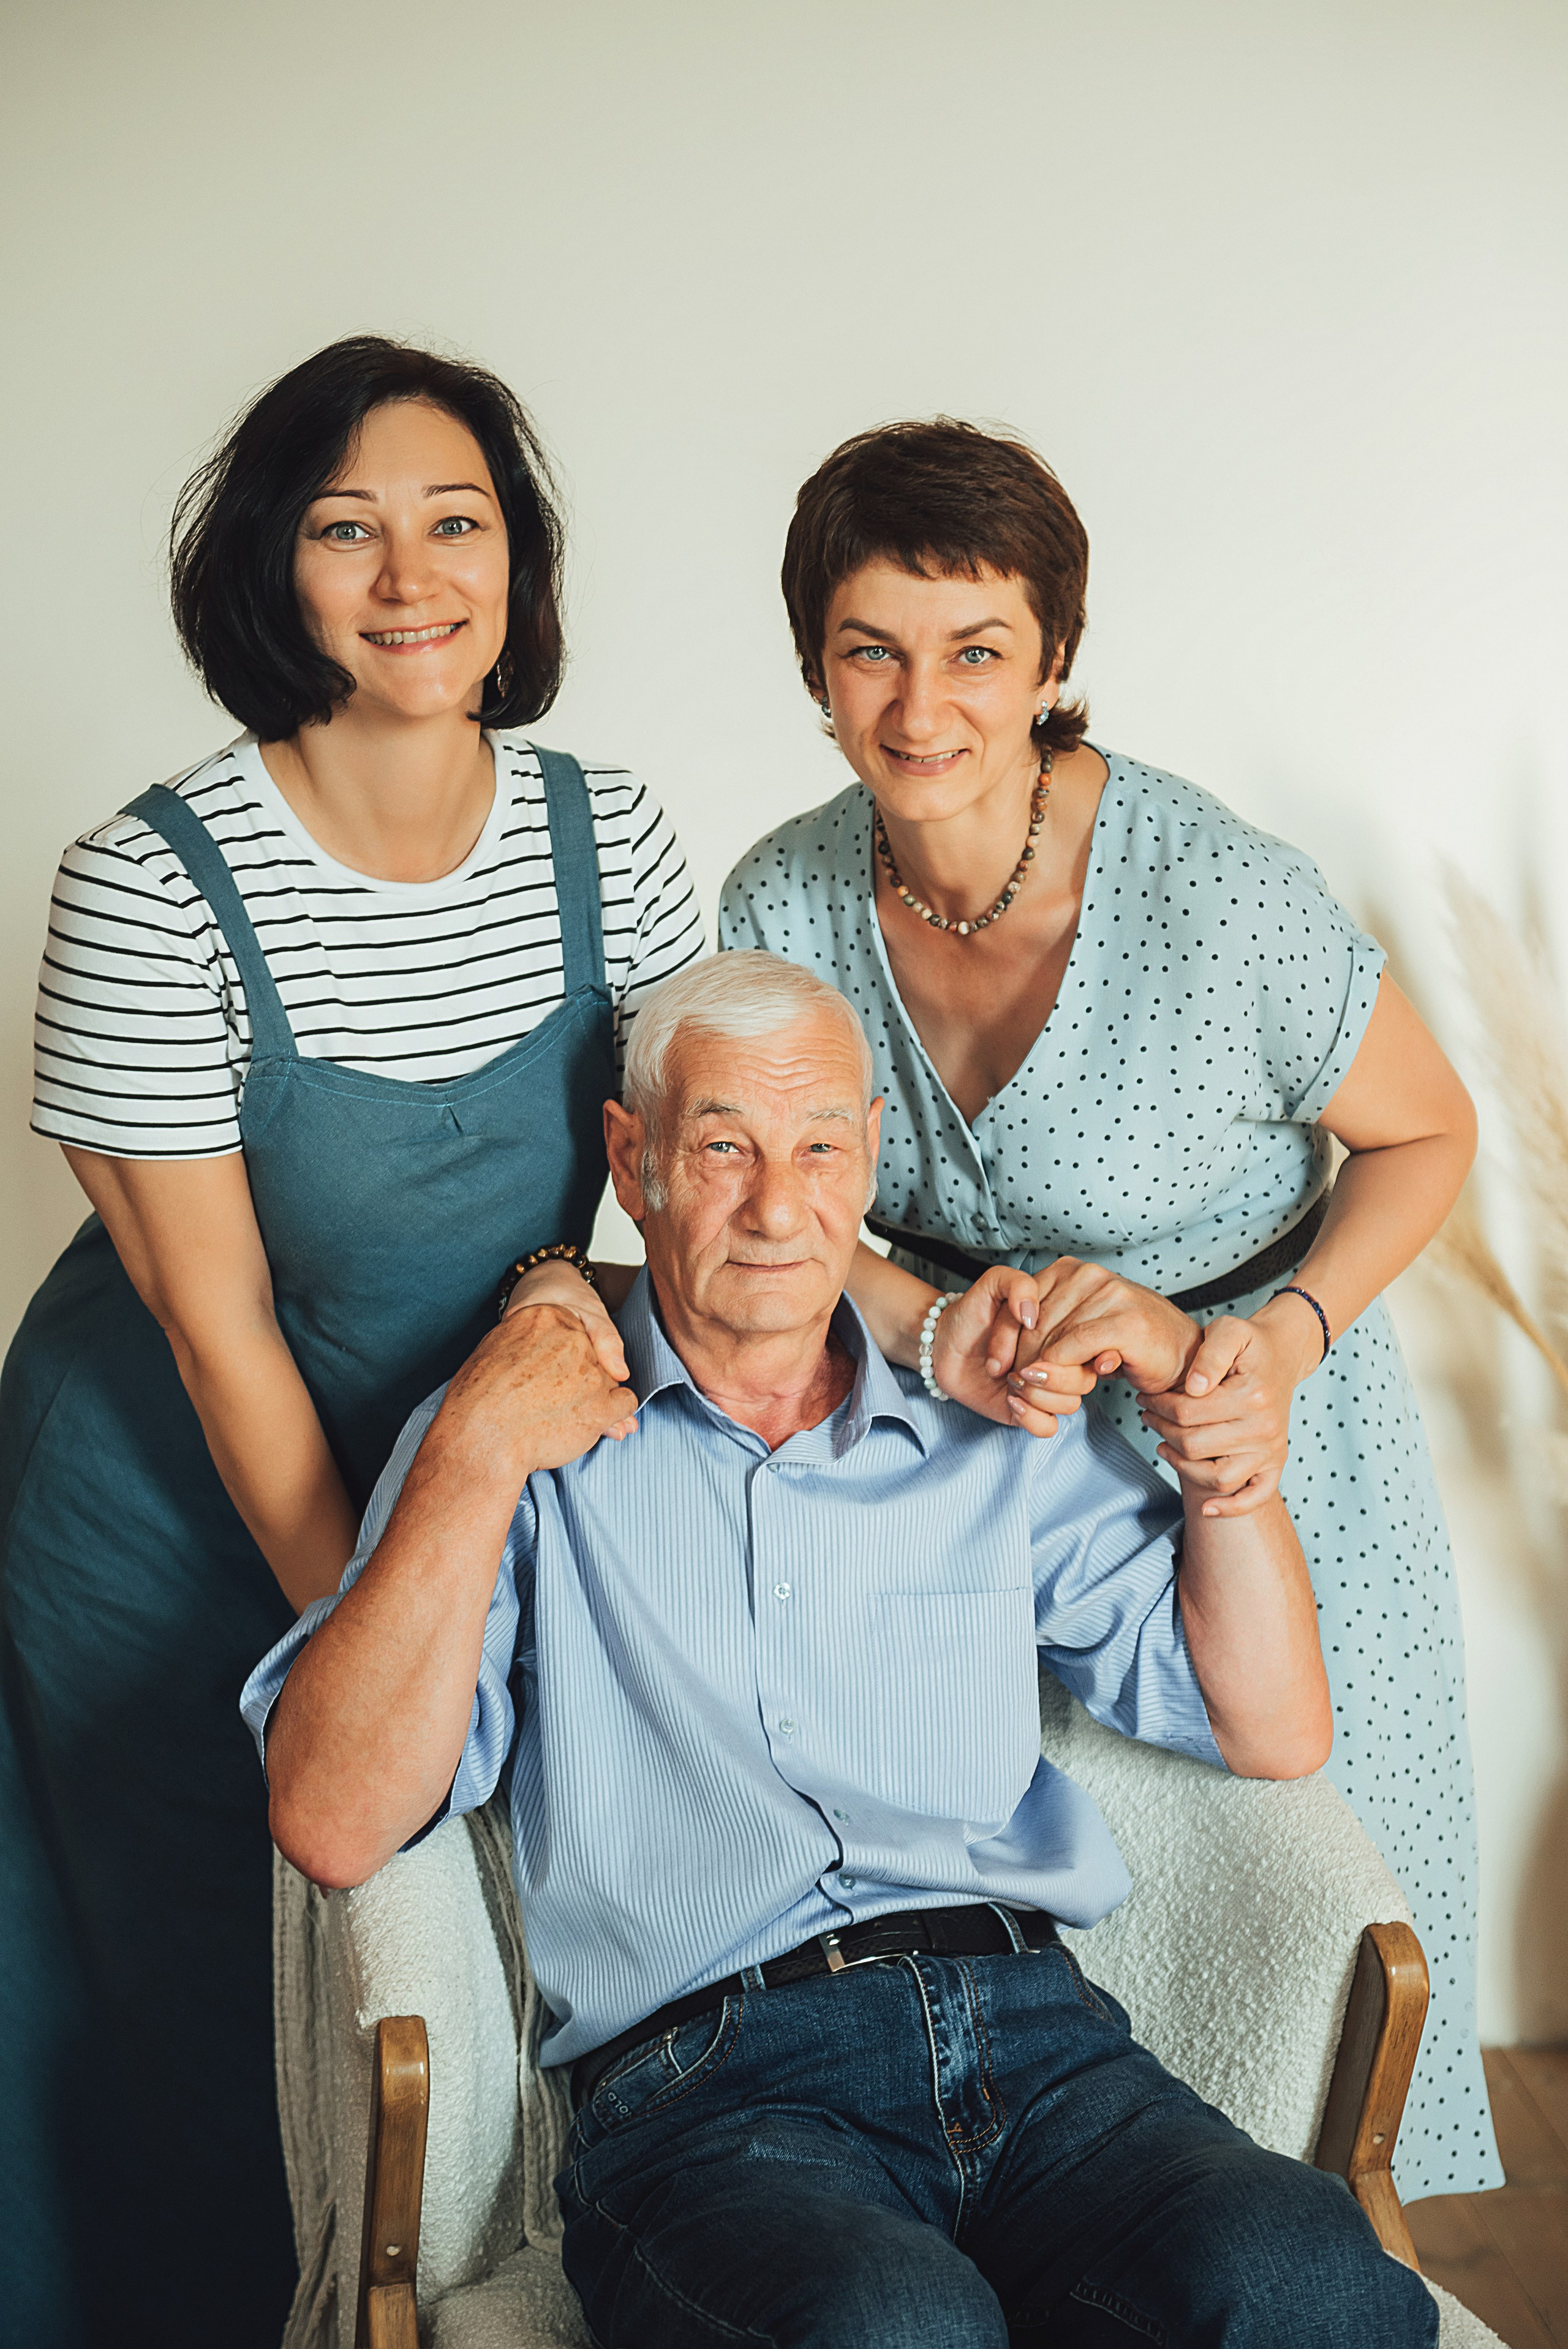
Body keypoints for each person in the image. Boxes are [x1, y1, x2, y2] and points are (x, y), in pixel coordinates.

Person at [246, 953, 1435, 2349]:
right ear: (633, 1163)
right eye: (722, 1147)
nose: (774, 1204)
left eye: (818, 1147)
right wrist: (470, 1451)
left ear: (868, 1155)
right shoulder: (521, 1428)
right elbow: (329, 1817)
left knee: (1317, 2277)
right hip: (714, 2092)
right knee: (892, 2328)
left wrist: (1225, 1471)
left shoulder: (991, 1420)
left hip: (1041, 2043)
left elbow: (1272, 1726)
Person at [0, 336, 704, 2347]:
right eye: (346, 526)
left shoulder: (609, 831)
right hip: (172, 1518)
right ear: (269, 572)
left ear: (517, 558)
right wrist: (380, 1669)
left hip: (457, 1468)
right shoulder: (148, 885)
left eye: (456, 519)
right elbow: (219, 1337)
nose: (412, 573)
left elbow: (689, 1198)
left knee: (456, 2015)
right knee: (209, 2014)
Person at [717, 418, 1498, 2201]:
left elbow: (1427, 1127)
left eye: (978, 650)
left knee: (1306, 1930)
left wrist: (1279, 1346)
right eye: (872, 652)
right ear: (813, 666)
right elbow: (783, 1196)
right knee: (1048, 1951)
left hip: (1260, 1443)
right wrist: (919, 1323)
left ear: (1055, 660)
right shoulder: (779, 894)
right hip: (972, 1469)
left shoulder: (1216, 893)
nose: (923, 707)